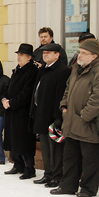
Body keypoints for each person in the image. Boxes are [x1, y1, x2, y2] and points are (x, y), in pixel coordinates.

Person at [51, 38, 99, 197]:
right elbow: (67, 90)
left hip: (89, 125)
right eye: (79, 52)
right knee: (70, 158)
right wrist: (64, 107)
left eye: (84, 53)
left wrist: (84, 115)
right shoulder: (76, 69)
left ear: (94, 56)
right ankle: (68, 186)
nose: (79, 55)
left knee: (90, 161)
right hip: (71, 123)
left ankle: (88, 189)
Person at [30, 43, 70, 187]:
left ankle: (56, 175)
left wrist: (57, 117)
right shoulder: (44, 69)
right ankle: (48, 173)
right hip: (41, 114)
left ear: (57, 55)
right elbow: (37, 90)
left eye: (48, 52)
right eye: (44, 52)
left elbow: (60, 95)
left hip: (52, 116)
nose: (45, 55)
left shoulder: (62, 70)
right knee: (45, 147)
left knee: (55, 149)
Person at [2, 43, 39, 179]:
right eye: (18, 55)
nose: (19, 57)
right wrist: (5, 99)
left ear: (29, 57)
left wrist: (11, 103)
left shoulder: (32, 71)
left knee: (24, 140)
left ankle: (29, 168)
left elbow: (27, 93)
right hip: (12, 110)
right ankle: (18, 164)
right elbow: (10, 87)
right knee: (13, 138)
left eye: (22, 55)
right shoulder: (17, 70)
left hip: (23, 112)